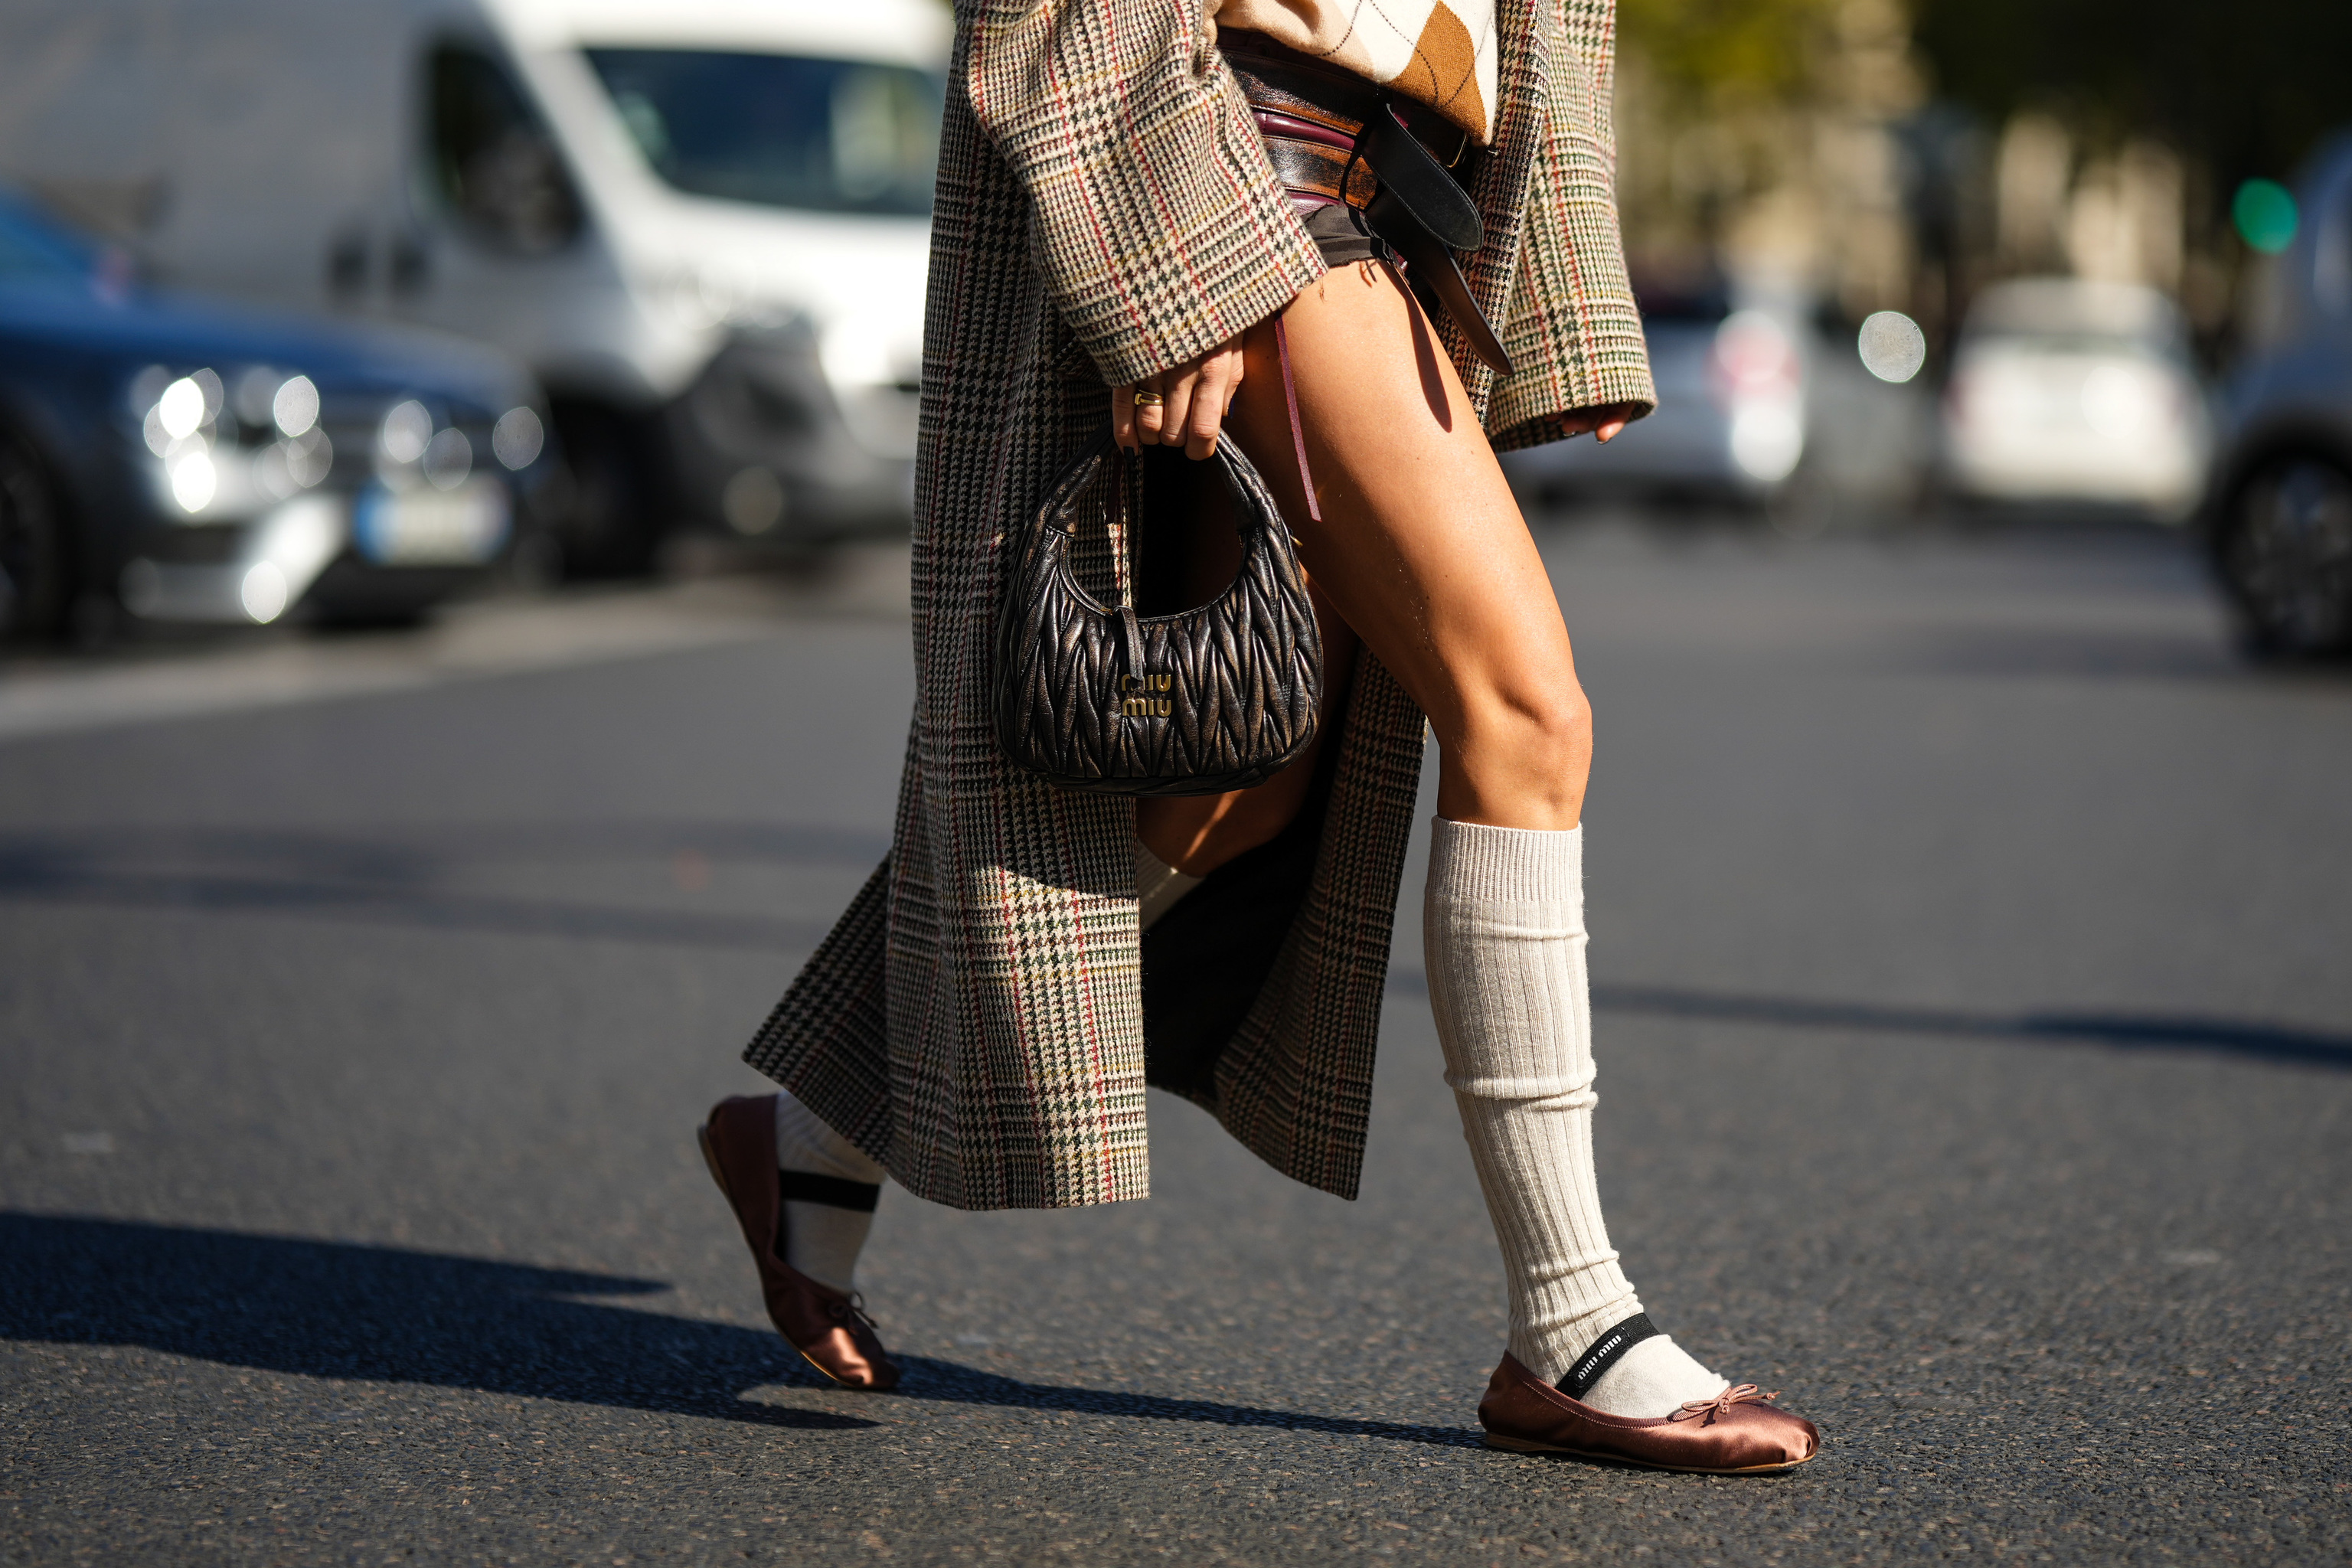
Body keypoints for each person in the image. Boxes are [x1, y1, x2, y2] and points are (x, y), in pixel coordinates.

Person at [696, 0, 1818, 1474]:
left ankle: (813, 1138)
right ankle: (1572, 1323)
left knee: (1240, 791)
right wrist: (1167, 261)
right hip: (1245, 180)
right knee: (1525, 709)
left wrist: (1553, 271)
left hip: (1386, 190)